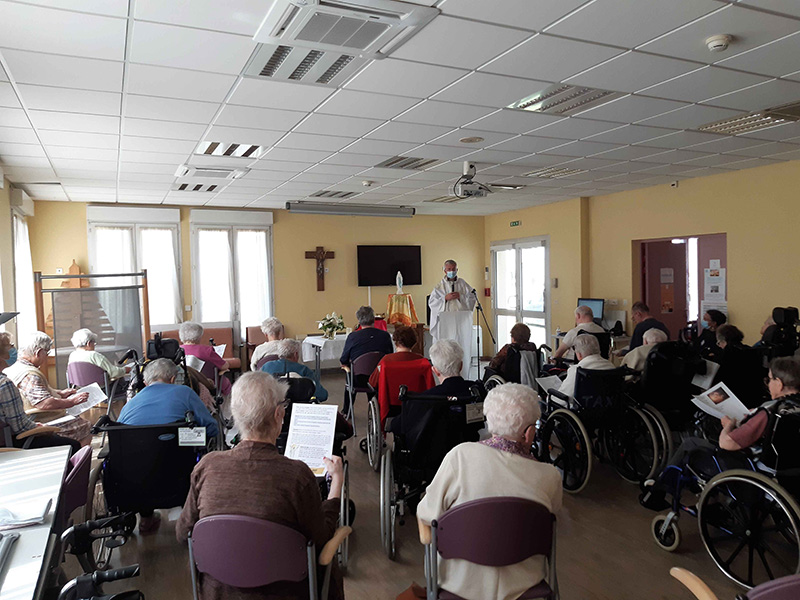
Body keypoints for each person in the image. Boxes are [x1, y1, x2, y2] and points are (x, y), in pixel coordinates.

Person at [176, 372, 345, 600]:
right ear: (279, 414)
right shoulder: (296, 475)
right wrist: (336, 484)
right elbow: (321, 536)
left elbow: (183, 533)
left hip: (219, 592)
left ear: (234, 414)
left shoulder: (207, 467)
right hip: (284, 593)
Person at [417, 383, 562, 600]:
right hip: (523, 586)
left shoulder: (461, 456)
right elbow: (552, 520)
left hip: (460, 584)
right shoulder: (550, 476)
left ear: (489, 422)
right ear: (529, 433)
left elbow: (428, 513)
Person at [642, 356, 800, 511]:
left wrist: (728, 426)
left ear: (779, 384)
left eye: (770, 379)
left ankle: (659, 488)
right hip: (791, 470)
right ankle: (705, 498)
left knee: (692, 444)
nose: (768, 384)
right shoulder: (789, 408)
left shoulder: (771, 410)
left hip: (757, 471)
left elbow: (727, 443)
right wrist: (753, 418)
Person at [4, 331, 92, 446]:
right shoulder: (30, 374)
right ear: (38, 353)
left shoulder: (15, 366)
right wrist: (72, 401)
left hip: (29, 417)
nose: (46, 357)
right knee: (85, 426)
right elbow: (44, 403)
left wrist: (60, 393)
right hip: (38, 420)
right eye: (46, 353)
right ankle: (75, 460)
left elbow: (34, 392)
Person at [118, 358, 218, 437]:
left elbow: (118, 432)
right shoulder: (185, 392)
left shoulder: (130, 404)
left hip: (134, 458)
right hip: (181, 457)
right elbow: (210, 427)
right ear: (173, 379)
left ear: (145, 383)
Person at [0, 370, 80, 453]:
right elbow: (20, 427)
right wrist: (39, 427)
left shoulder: (12, 370)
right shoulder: (5, 384)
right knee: (73, 445)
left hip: (8, 438)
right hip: (9, 442)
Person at [340, 306, 392, 414]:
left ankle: (347, 411)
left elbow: (344, 359)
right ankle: (375, 409)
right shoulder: (385, 336)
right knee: (373, 375)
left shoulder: (353, 337)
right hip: (379, 378)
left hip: (358, 380)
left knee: (350, 375)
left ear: (359, 320)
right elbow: (389, 356)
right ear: (373, 319)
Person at [261, 339, 328, 401]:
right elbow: (322, 395)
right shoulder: (304, 370)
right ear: (296, 354)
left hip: (273, 407)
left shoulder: (266, 366)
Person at [428, 259, 476, 343]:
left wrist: (460, 297)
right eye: (449, 269)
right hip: (445, 320)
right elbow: (432, 303)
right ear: (444, 270)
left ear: (457, 270)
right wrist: (445, 299)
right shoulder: (439, 286)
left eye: (453, 269)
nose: (451, 271)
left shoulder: (463, 284)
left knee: (460, 342)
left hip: (460, 319)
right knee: (445, 344)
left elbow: (472, 297)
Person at [179, 321, 232, 397]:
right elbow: (224, 366)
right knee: (225, 382)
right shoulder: (207, 350)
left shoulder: (177, 350)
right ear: (199, 336)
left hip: (184, 384)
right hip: (207, 383)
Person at [559, 335, 616, 400]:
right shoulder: (611, 366)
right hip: (609, 408)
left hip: (582, 409)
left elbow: (562, 399)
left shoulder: (577, 370)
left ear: (579, 355)